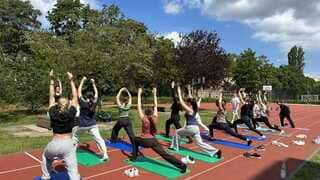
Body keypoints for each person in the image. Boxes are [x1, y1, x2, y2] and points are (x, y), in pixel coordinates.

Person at [130, 87, 187, 173]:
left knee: (134, 139)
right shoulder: (155, 118)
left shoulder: (143, 118)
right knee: (165, 154)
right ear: (152, 112)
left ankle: (134, 157)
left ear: (145, 112)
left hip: (144, 141)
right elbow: (156, 105)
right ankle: (182, 165)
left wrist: (139, 93)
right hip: (153, 141)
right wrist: (155, 94)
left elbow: (138, 105)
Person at [41, 70, 80, 180]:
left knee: (45, 156)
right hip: (68, 145)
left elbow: (51, 97)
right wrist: (71, 80)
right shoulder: (71, 112)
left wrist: (52, 80)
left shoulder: (52, 112)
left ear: (57, 105)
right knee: (73, 172)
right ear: (68, 105)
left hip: (54, 144)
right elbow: (75, 96)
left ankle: (46, 176)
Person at [170, 86, 222, 158]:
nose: (186, 102)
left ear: (189, 103)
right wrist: (188, 90)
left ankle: (175, 147)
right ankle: (215, 151)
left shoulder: (190, 109)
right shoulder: (194, 108)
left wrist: (179, 93)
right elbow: (190, 99)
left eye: (187, 102)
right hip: (196, 129)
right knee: (200, 143)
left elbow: (182, 103)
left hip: (190, 128)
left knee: (177, 132)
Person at [72, 77, 108, 161]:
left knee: (75, 136)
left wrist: (82, 80)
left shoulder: (83, 103)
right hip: (93, 125)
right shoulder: (94, 102)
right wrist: (93, 83)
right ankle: (105, 154)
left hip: (82, 125)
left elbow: (79, 91)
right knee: (99, 139)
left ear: (86, 97)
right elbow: (96, 93)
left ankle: (72, 152)